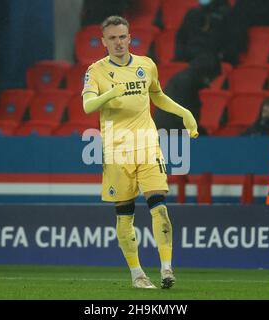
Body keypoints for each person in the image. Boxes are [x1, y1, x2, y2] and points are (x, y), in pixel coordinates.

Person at [82, 16, 199, 289]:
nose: (119, 42)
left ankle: (167, 269)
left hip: (148, 146)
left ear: (129, 37)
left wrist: (184, 112)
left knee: (159, 207)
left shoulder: (146, 65)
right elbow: (88, 106)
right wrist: (109, 96)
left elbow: (157, 96)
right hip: (117, 151)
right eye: (112, 38)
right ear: (104, 42)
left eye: (122, 36)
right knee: (125, 213)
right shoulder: (96, 71)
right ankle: (137, 274)